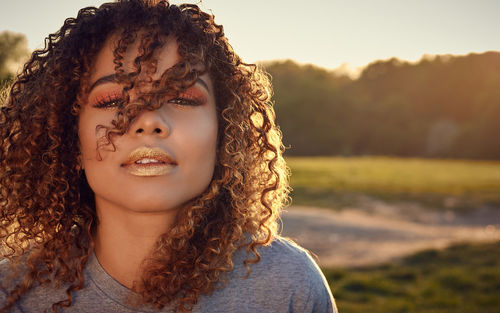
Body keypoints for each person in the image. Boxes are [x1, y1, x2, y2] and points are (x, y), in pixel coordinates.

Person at [0, 0, 337, 312]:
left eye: (183, 98)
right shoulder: (11, 293)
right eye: (113, 101)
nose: (149, 121)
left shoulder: (291, 286)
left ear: (225, 133)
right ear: (68, 137)